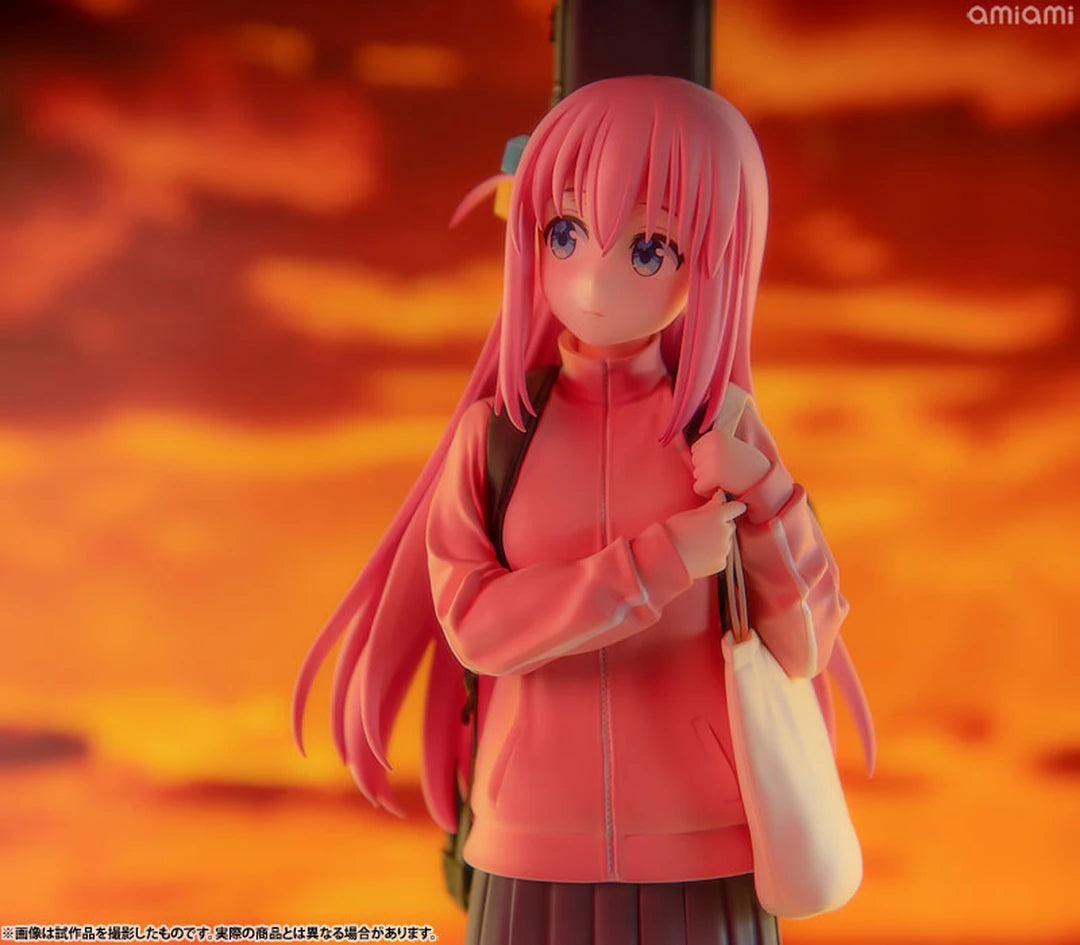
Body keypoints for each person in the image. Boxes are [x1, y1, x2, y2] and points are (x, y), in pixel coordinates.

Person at [293, 75, 858, 945]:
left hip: (704, 848)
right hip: (530, 846)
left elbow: (805, 643)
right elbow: (476, 624)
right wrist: (660, 560)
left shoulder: (725, 429)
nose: (593, 276)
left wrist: (768, 498)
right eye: (565, 232)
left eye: (649, 247)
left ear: (715, 259)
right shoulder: (496, 439)